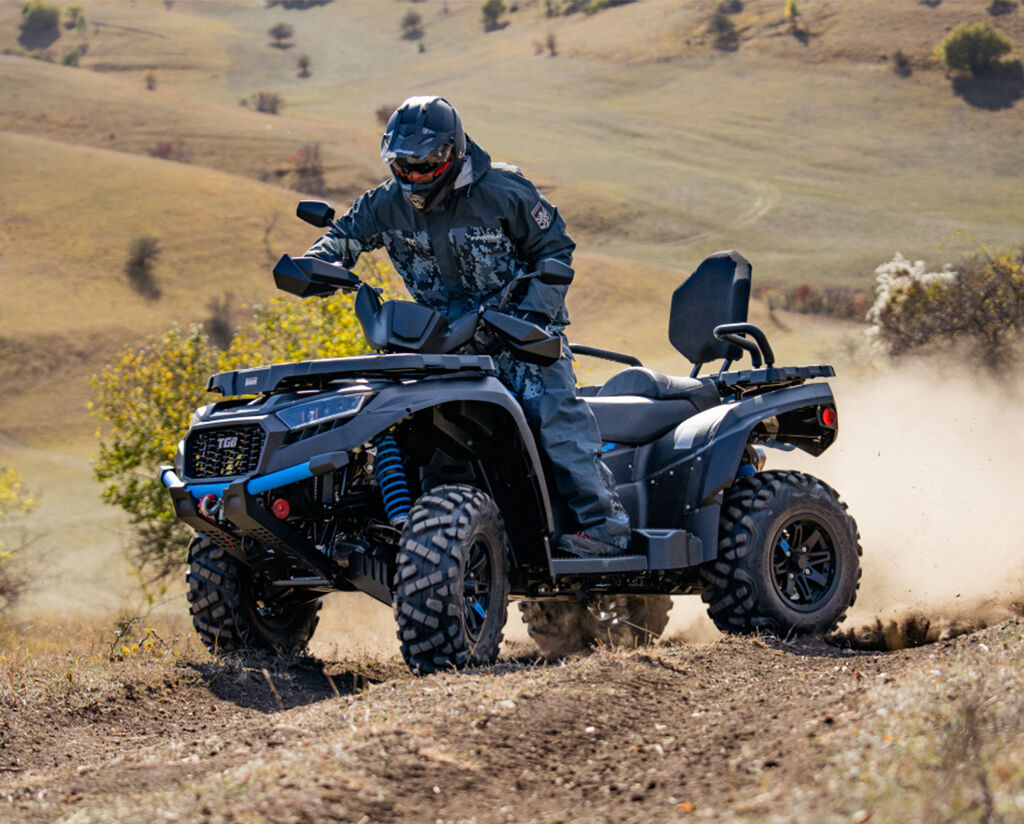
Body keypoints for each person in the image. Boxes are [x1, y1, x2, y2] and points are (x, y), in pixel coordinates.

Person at [304, 95, 629, 558]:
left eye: (425, 164)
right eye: (403, 165)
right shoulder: (386, 203)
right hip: (442, 345)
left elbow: (555, 248)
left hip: (519, 338)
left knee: (555, 416)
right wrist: (317, 263)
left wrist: (534, 314)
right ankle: (426, 539)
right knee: (406, 430)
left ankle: (606, 529)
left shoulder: (505, 191)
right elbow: (342, 237)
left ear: (452, 153)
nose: (414, 176)